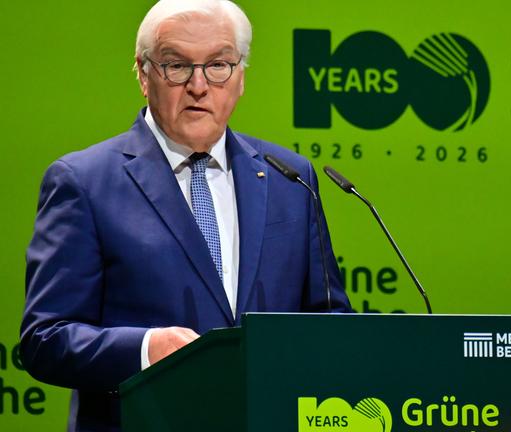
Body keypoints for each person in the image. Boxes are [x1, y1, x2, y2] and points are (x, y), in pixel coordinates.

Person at [20, 1, 351, 430]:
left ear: (241, 77)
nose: (199, 85)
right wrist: (145, 349)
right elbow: (45, 339)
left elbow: (330, 320)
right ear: (143, 74)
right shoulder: (83, 182)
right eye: (176, 66)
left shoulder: (291, 176)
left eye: (218, 65)